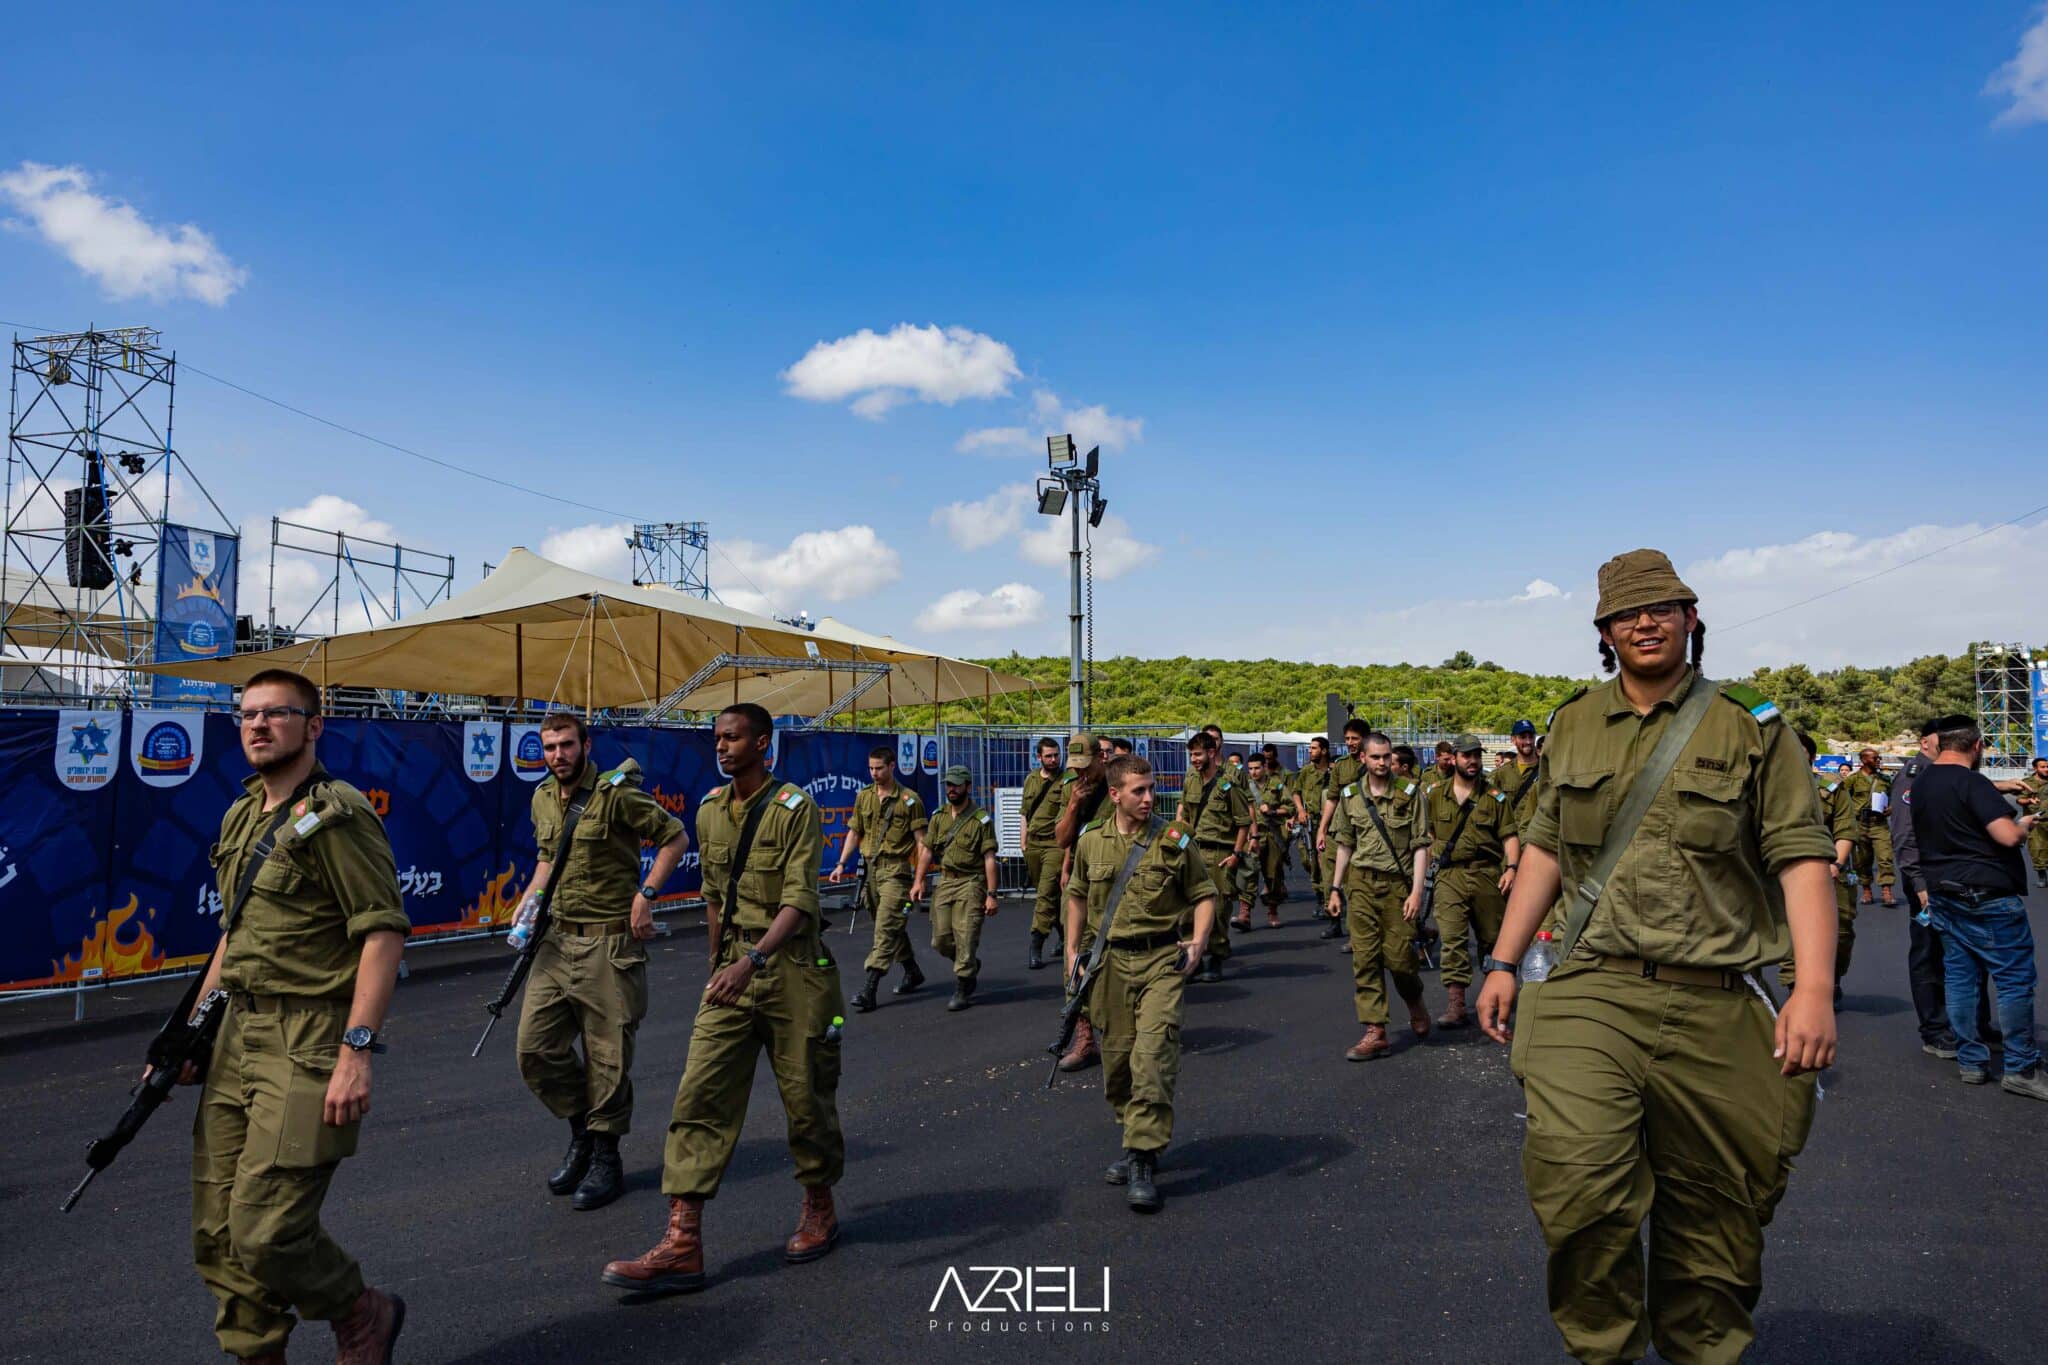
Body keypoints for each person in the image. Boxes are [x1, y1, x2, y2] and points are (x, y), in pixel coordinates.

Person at [1475, 548, 1836, 1363]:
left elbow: (1801, 856)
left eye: (1661, 607)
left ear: (1691, 618)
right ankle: (1604, 1349)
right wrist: (1502, 961)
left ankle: (1700, 1350)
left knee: (1718, 1216)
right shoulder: (1571, 722)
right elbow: (1544, 845)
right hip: (1588, 985)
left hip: (1716, 996)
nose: (1644, 620)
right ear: (1604, 632)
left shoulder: (1752, 726)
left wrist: (1813, 988)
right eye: (1626, 613)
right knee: (1579, 1184)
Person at [177, 668, 411, 1363]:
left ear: (313, 726)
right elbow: (235, 933)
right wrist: (191, 1030)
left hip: (306, 1037)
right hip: (235, 1035)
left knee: (266, 1230)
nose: (257, 723)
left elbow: (382, 931)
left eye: (277, 712)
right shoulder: (242, 813)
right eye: (247, 712)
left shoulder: (338, 814)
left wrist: (357, 1049)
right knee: (219, 1232)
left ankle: (360, 1310)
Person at [603, 704, 847, 1295]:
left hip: (791, 971)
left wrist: (751, 960)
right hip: (733, 974)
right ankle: (682, 1241)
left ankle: (819, 1205)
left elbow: (799, 900)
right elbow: (715, 896)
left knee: (806, 1098)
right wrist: (720, 963)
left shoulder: (796, 809)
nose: (722, 747)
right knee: (700, 1095)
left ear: (762, 742)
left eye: (733, 738)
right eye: (717, 738)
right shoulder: (711, 811)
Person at [517, 711, 688, 1211]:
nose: (557, 756)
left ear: (585, 745)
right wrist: (529, 904)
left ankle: (606, 1156)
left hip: (609, 946)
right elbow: (548, 858)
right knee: (535, 1050)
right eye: (549, 747)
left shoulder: (616, 795)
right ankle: (582, 1133)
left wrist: (647, 894)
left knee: (608, 1059)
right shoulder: (542, 796)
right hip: (555, 941)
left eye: (566, 745)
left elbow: (674, 836)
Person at [1065, 754, 1218, 1212]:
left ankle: (1141, 1157)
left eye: (1151, 789)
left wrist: (1198, 942)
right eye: (1139, 791)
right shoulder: (1092, 842)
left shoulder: (1173, 839)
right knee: (1117, 1067)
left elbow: (1205, 893)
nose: (1150, 797)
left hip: (1160, 962)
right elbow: (1074, 896)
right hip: (1108, 965)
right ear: (1115, 795)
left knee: (1152, 1058)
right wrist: (1072, 953)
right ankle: (1137, 1137)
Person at [1909, 718, 2046, 1100]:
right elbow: (2006, 834)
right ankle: (2021, 1066)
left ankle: (1971, 1061)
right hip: (1986, 893)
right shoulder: (1973, 782)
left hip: (1943, 893)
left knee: (1960, 977)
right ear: (1978, 745)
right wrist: (2025, 824)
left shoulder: (1920, 784)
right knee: (2014, 980)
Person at [1325, 731, 1432, 1059]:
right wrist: (1334, 888)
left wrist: (1416, 892)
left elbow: (1420, 846)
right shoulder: (1349, 795)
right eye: (1376, 757)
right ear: (1363, 759)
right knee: (1365, 959)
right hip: (1360, 886)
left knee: (1401, 962)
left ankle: (1414, 1001)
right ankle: (1375, 1030)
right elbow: (1345, 843)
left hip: (1397, 889)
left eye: (1387, 757)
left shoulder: (1411, 794)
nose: (1383, 763)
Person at [1427, 734, 1520, 1028]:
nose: (1473, 761)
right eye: (1467, 756)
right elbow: (1426, 832)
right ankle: (1456, 1004)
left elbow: (1509, 835)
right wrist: (1433, 858)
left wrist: (1512, 868)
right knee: (1452, 938)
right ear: (1453, 758)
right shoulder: (1434, 794)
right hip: (1450, 876)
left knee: (1492, 940)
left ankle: (1493, 996)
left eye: (1477, 756)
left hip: (1487, 874)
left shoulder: (1495, 797)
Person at [831, 745, 929, 1013]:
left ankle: (870, 987)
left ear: (892, 766)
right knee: (888, 924)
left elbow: (922, 843)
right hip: (871, 871)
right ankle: (911, 969)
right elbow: (854, 831)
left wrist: (919, 879)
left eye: (879, 768)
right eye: (871, 768)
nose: (874, 773)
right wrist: (841, 863)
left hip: (896, 872)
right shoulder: (864, 797)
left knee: (885, 928)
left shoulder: (910, 800)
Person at [914, 765, 1000, 1011]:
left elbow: (989, 859)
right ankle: (969, 963)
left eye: (956, 785)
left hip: (972, 882)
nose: (951, 789)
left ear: (968, 787)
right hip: (946, 881)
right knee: (940, 940)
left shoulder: (980, 819)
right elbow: (927, 850)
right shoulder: (939, 816)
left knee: (966, 935)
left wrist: (992, 895)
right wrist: (919, 880)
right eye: (948, 785)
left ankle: (963, 986)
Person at [1780, 731, 1857, 1006]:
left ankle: (1832, 978)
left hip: (1829, 867)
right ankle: (1796, 986)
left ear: (1811, 757)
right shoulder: (1771, 788)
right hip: (1786, 869)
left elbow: (1846, 830)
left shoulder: (1831, 788)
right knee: (1790, 929)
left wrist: (1836, 864)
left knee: (1843, 930)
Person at [1178, 730, 1251, 980]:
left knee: (1219, 909)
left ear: (1211, 752)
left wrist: (1236, 854)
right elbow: (1185, 815)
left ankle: (1216, 956)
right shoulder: (1191, 781)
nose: (1194, 760)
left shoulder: (1228, 784)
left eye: (1198, 754)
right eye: (1191, 755)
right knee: (1188, 909)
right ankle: (1193, 957)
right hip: (1194, 851)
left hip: (1220, 852)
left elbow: (1243, 821)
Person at [1314, 720, 1371, 940]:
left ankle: (1355, 934)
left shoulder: (1374, 762)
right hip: (1339, 828)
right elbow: (1332, 798)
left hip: (1364, 829)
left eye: (1354, 739)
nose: (1350, 743)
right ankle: (1334, 921)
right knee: (1330, 877)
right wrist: (1322, 829)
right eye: (1347, 739)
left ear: (1365, 739)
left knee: (1352, 883)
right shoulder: (1341, 765)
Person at [1019, 737, 1067, 970]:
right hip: (1033, 846)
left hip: (1054, 845)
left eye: (1056, 754)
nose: (1054, 759)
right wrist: (1023, 842)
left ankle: (1036, 943)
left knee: (1045, 895)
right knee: (1049, 896)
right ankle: (1065, 933)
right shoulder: (1031, 779)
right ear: (1039, 757)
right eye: (1048, 755)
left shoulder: (1066, 780)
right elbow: (1024, 813)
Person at [1292, 736, 1337, 926]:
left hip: (1326, 821)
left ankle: (1327, 900)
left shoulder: (1334, 772)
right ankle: (1320, 892)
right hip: (1308, 820)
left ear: (1324, 750)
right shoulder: (1305, 771)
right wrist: (1300, 810)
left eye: (1314, 748)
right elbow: (1296, 792)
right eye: (1310, 748)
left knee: (1323, 860)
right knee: (1307, 859)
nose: (1310, 751)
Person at [1844, 748, 1896, 906]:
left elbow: (1893, 799)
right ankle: (1866, 890)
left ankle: (1887, 891)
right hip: (1860, 823)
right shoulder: (1852, 780)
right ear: (1864, 760)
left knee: (1885, 857)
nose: (1878, 760)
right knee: (1862, 861)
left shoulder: (1885, 780)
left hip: (1879, 824)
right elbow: (1844, 801)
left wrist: (1890, 809)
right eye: (1875, 758)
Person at [1245, 753, 1291, 927]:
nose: (1254, 772)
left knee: (1273, 874)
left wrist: (1273, 810)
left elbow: (1290, 807)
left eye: (1257, 768)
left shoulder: (1276, 785)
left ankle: (1272, 911)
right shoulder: (1244, 787)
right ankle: (1244, 914)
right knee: (1248, 872)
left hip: (1272, 834)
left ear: (1264, 767)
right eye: (1250, 769)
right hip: (1251, 834)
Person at [1497, 719, 1544, 831]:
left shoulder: (1547, 770)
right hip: (1509, 838)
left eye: (1531, 737)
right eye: (1523, 737)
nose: (1528, 741)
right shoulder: (1502, 773)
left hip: (1536, 838)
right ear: (1513, 740)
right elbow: (1495, 803)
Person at [2012, 757, 2048, 889]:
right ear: (2035, 768)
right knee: (2037, 849)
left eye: (2047, 766)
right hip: (2035, 821)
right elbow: (2019, 800)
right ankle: (2042, 876)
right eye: (2043, 767)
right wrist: (2029, 801)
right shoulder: (2028, 783)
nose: (2046, 769)